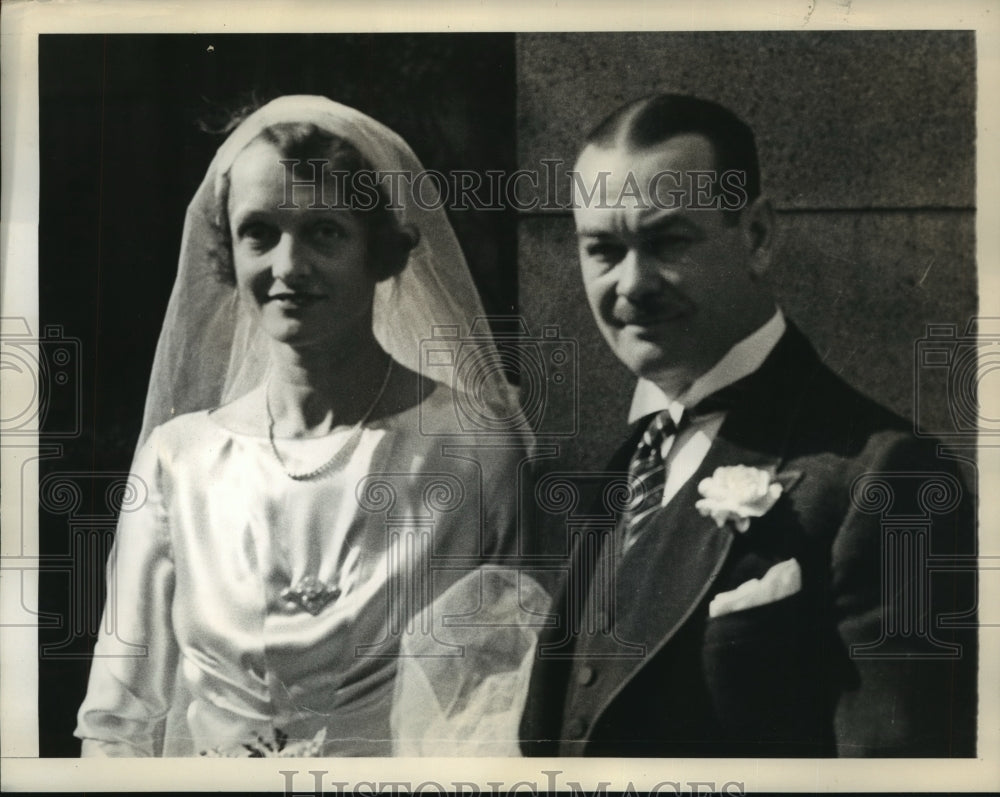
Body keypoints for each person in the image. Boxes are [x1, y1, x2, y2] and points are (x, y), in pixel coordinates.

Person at [75, 95, 542, 757]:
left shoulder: (475, 449)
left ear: (379, 251)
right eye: (259, 232)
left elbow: (499, 711)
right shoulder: (177, 459)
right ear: (227, 252)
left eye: (324, 231)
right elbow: (117, 722)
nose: (288, 267)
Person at [520, 94, 977, 757]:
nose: (633, 283)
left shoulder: (883, 478)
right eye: (604, 249)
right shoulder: (620, 467)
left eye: (668, 240)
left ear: (758, 235)